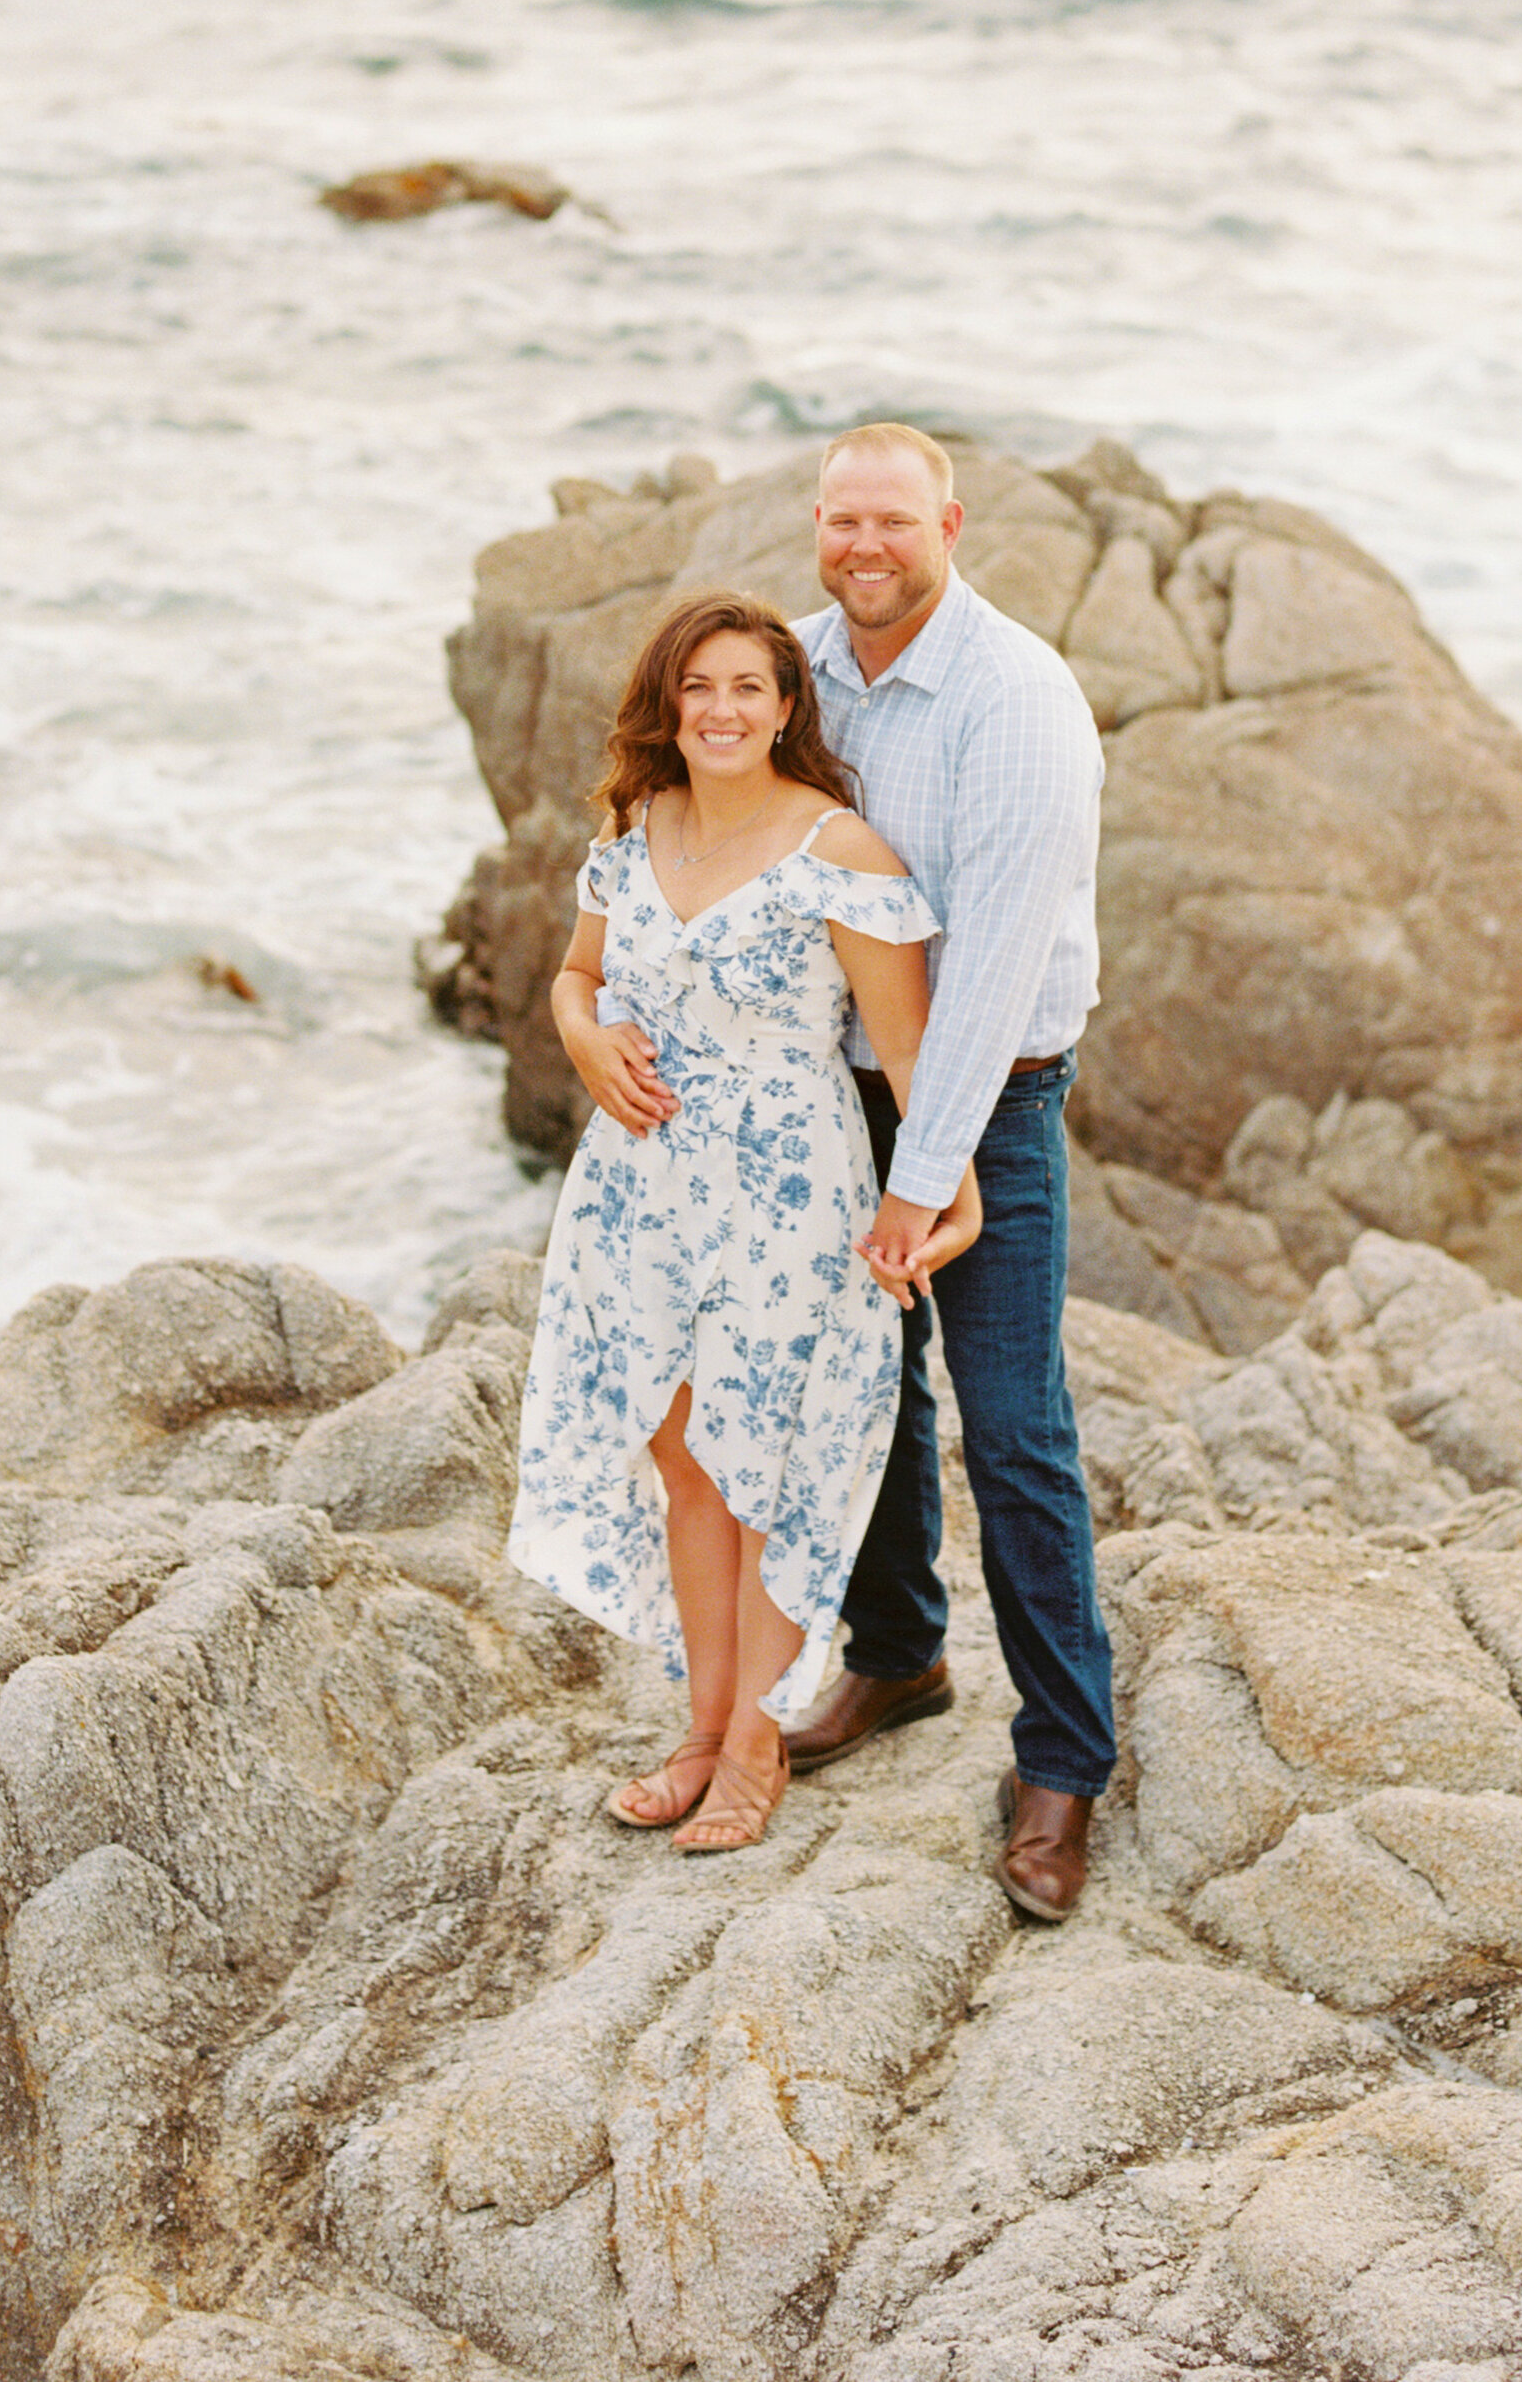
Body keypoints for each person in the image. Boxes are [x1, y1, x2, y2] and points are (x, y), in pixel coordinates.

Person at [506, 589, 980, 1855]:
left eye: (748, 690)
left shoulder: (842, 850)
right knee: (682, 1467)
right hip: (638, 1186)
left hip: (783, 1190)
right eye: (699, 687)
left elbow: (906, 1047)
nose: (721, 710)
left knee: (760, 1463)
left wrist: (938, 1186)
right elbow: (573, 970)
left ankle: (761, 1742)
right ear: (671, 703)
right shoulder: (637, 822)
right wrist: (581, 1032)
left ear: (784, 709)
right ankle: (702, 1725)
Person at [785, 421, 1115, 1923]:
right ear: (819, 524)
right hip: (821, 1095)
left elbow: (986, 972)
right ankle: (898, 1651)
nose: (866, 545)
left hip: (991, 1102)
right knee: (860, 1390)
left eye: (893, 520)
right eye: (843, 517)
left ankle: (1062, 1758)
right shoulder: (792, 671)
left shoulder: (1016, 696)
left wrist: (925, 1176)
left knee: (1017, 1424)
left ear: (951, 523)